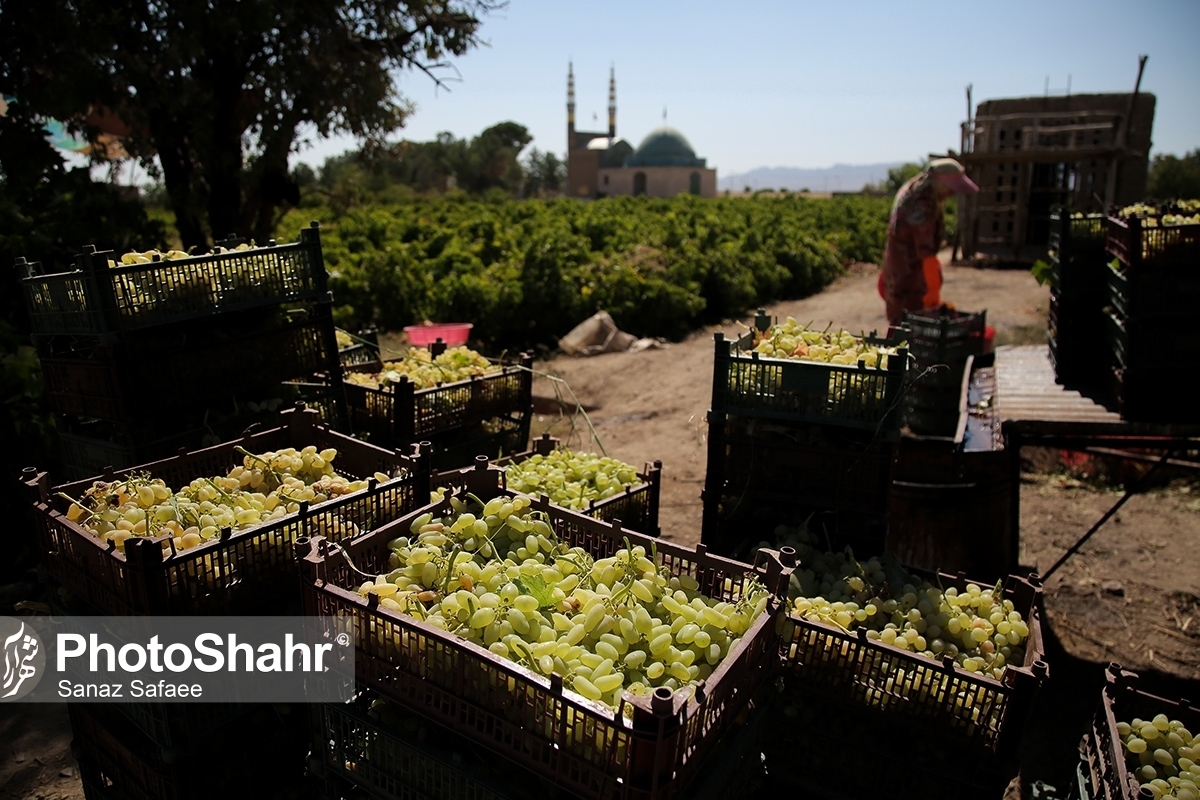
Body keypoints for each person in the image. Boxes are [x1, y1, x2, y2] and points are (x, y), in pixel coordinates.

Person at [878, 158, 979, 326]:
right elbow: (925, 252)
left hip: (900, 269)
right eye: (950, 188)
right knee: (907, 323)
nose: (951, 194)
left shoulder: (915, 189)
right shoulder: (921, 204)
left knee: (906, 321)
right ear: (940, 183)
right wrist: (932, 289)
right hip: (907, 274)